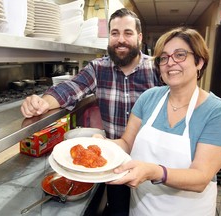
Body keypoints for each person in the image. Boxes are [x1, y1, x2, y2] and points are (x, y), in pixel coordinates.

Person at [21, 8, 161, 216]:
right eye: (115, 33)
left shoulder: (156, 69)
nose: (120, 39)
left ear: (139, 37)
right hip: (113, 160)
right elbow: (69, 89)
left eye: (128, 33)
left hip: (151, 160)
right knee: (119, 211)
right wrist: (41, 103)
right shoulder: (98, 68)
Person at [101, 27, 221, 216]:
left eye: (180, 55)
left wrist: (154, 172)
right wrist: (100, 146)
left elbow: (200, 178)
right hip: (140, 209)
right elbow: (126, 144)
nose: (170, 63)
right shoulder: (148, 98)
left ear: (199, 62)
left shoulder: (217, 112)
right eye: (163, 58)